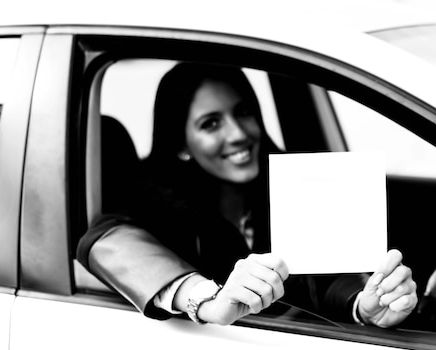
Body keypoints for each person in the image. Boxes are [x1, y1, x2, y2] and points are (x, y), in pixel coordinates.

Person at [77, 62, 417, 328]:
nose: (238, 134)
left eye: (242, 112)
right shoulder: (152, 204)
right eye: (211, 124)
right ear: (181, 143)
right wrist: (206, 300)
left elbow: (321, 283)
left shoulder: (292, 185)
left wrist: (364, 307)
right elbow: (104, 240)